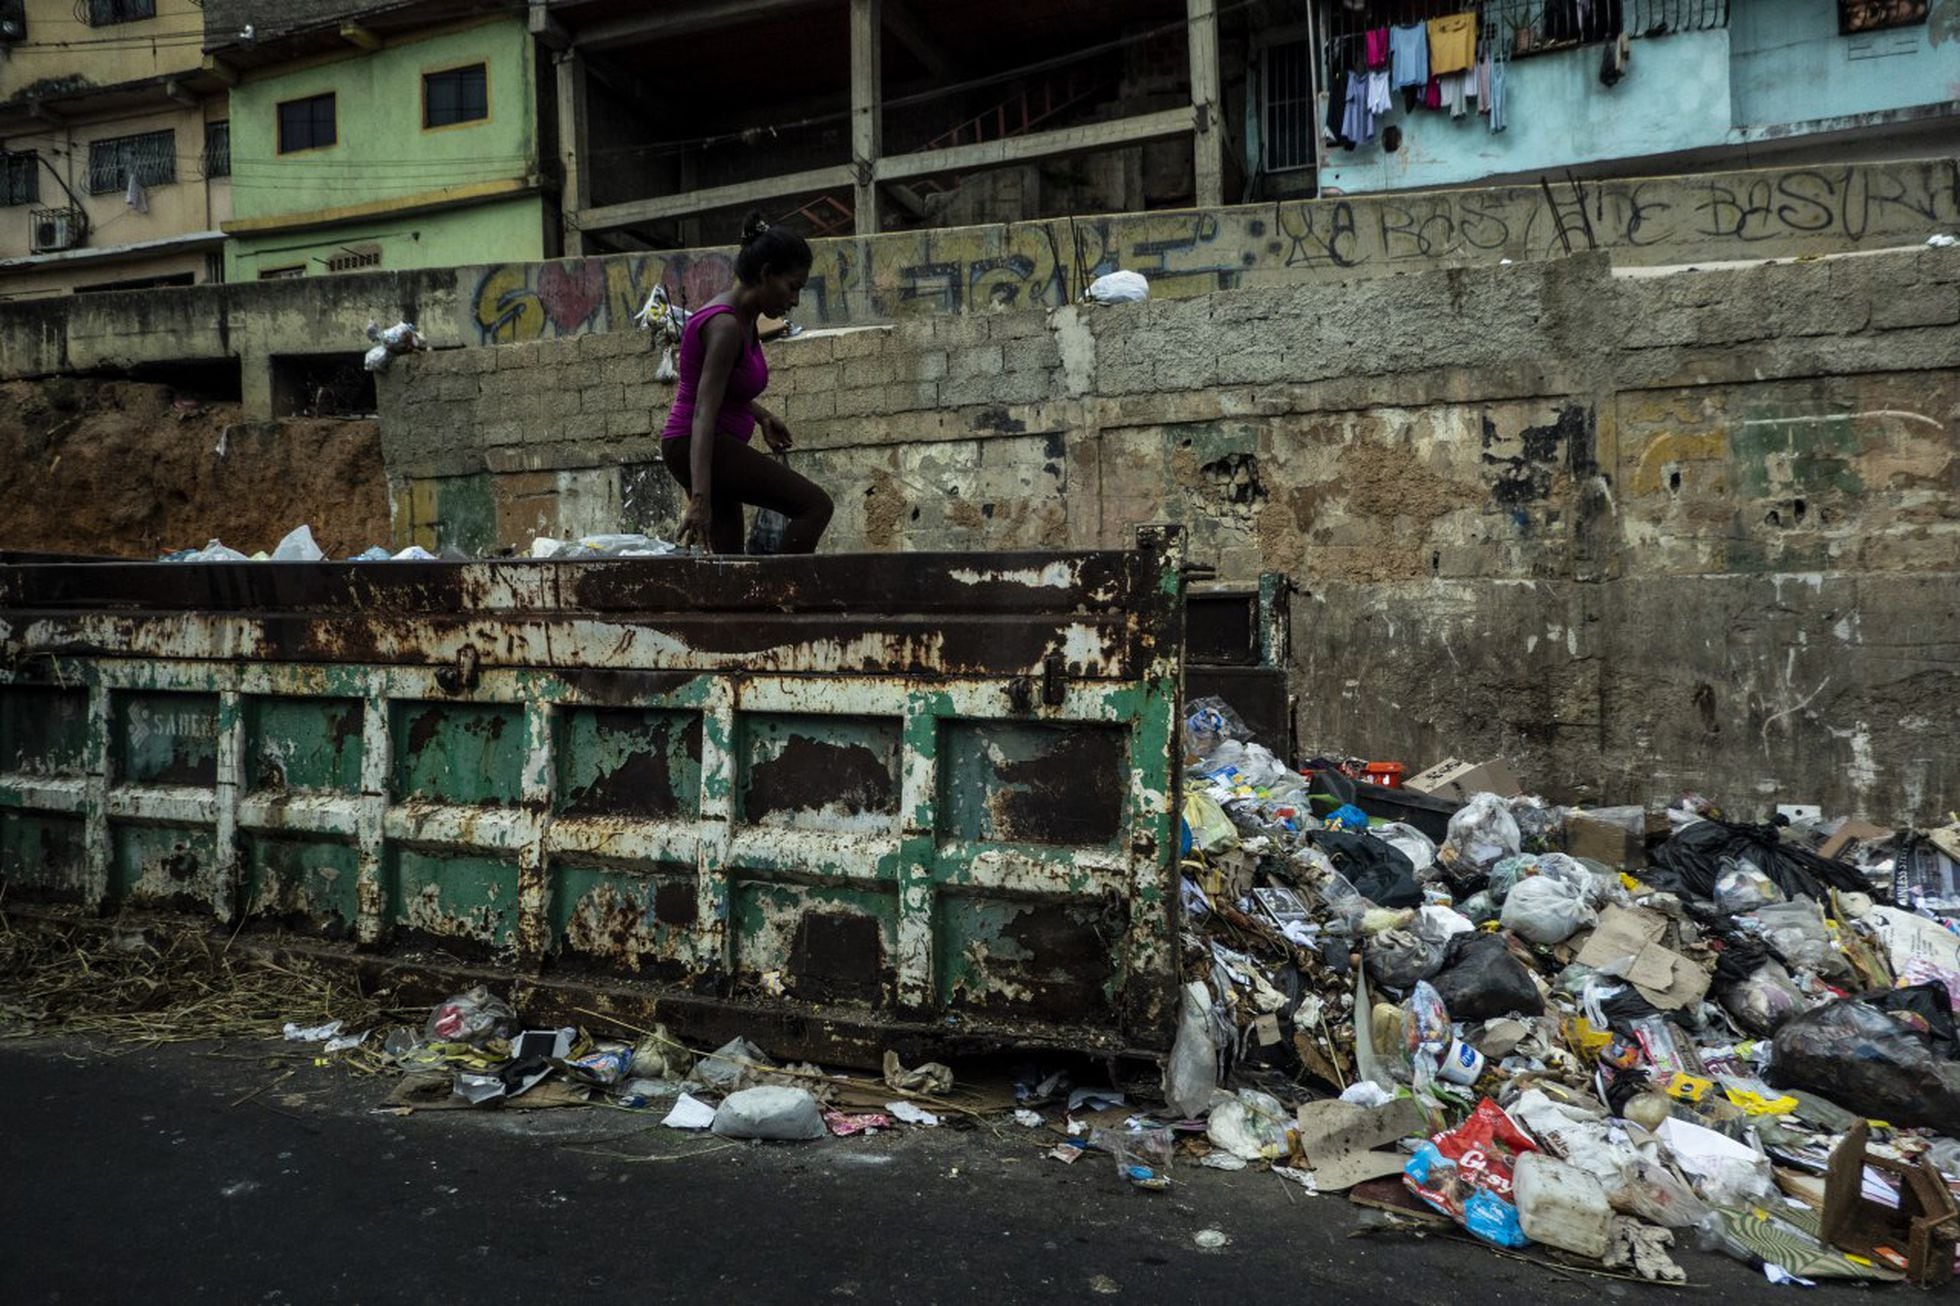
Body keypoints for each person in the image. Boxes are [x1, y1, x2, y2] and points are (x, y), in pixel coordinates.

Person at [660, 211, 833, 554]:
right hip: (699, 442)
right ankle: (783, 595)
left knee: (728, 557)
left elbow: (721, 387)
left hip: (704, 445)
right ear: (767, 274)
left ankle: (740, 606)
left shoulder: (743, 318)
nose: (795, 300)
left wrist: (762, 415)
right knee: (814, 506)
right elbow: (702, 413)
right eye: (793, 287)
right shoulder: (725, 326)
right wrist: (699, 498)